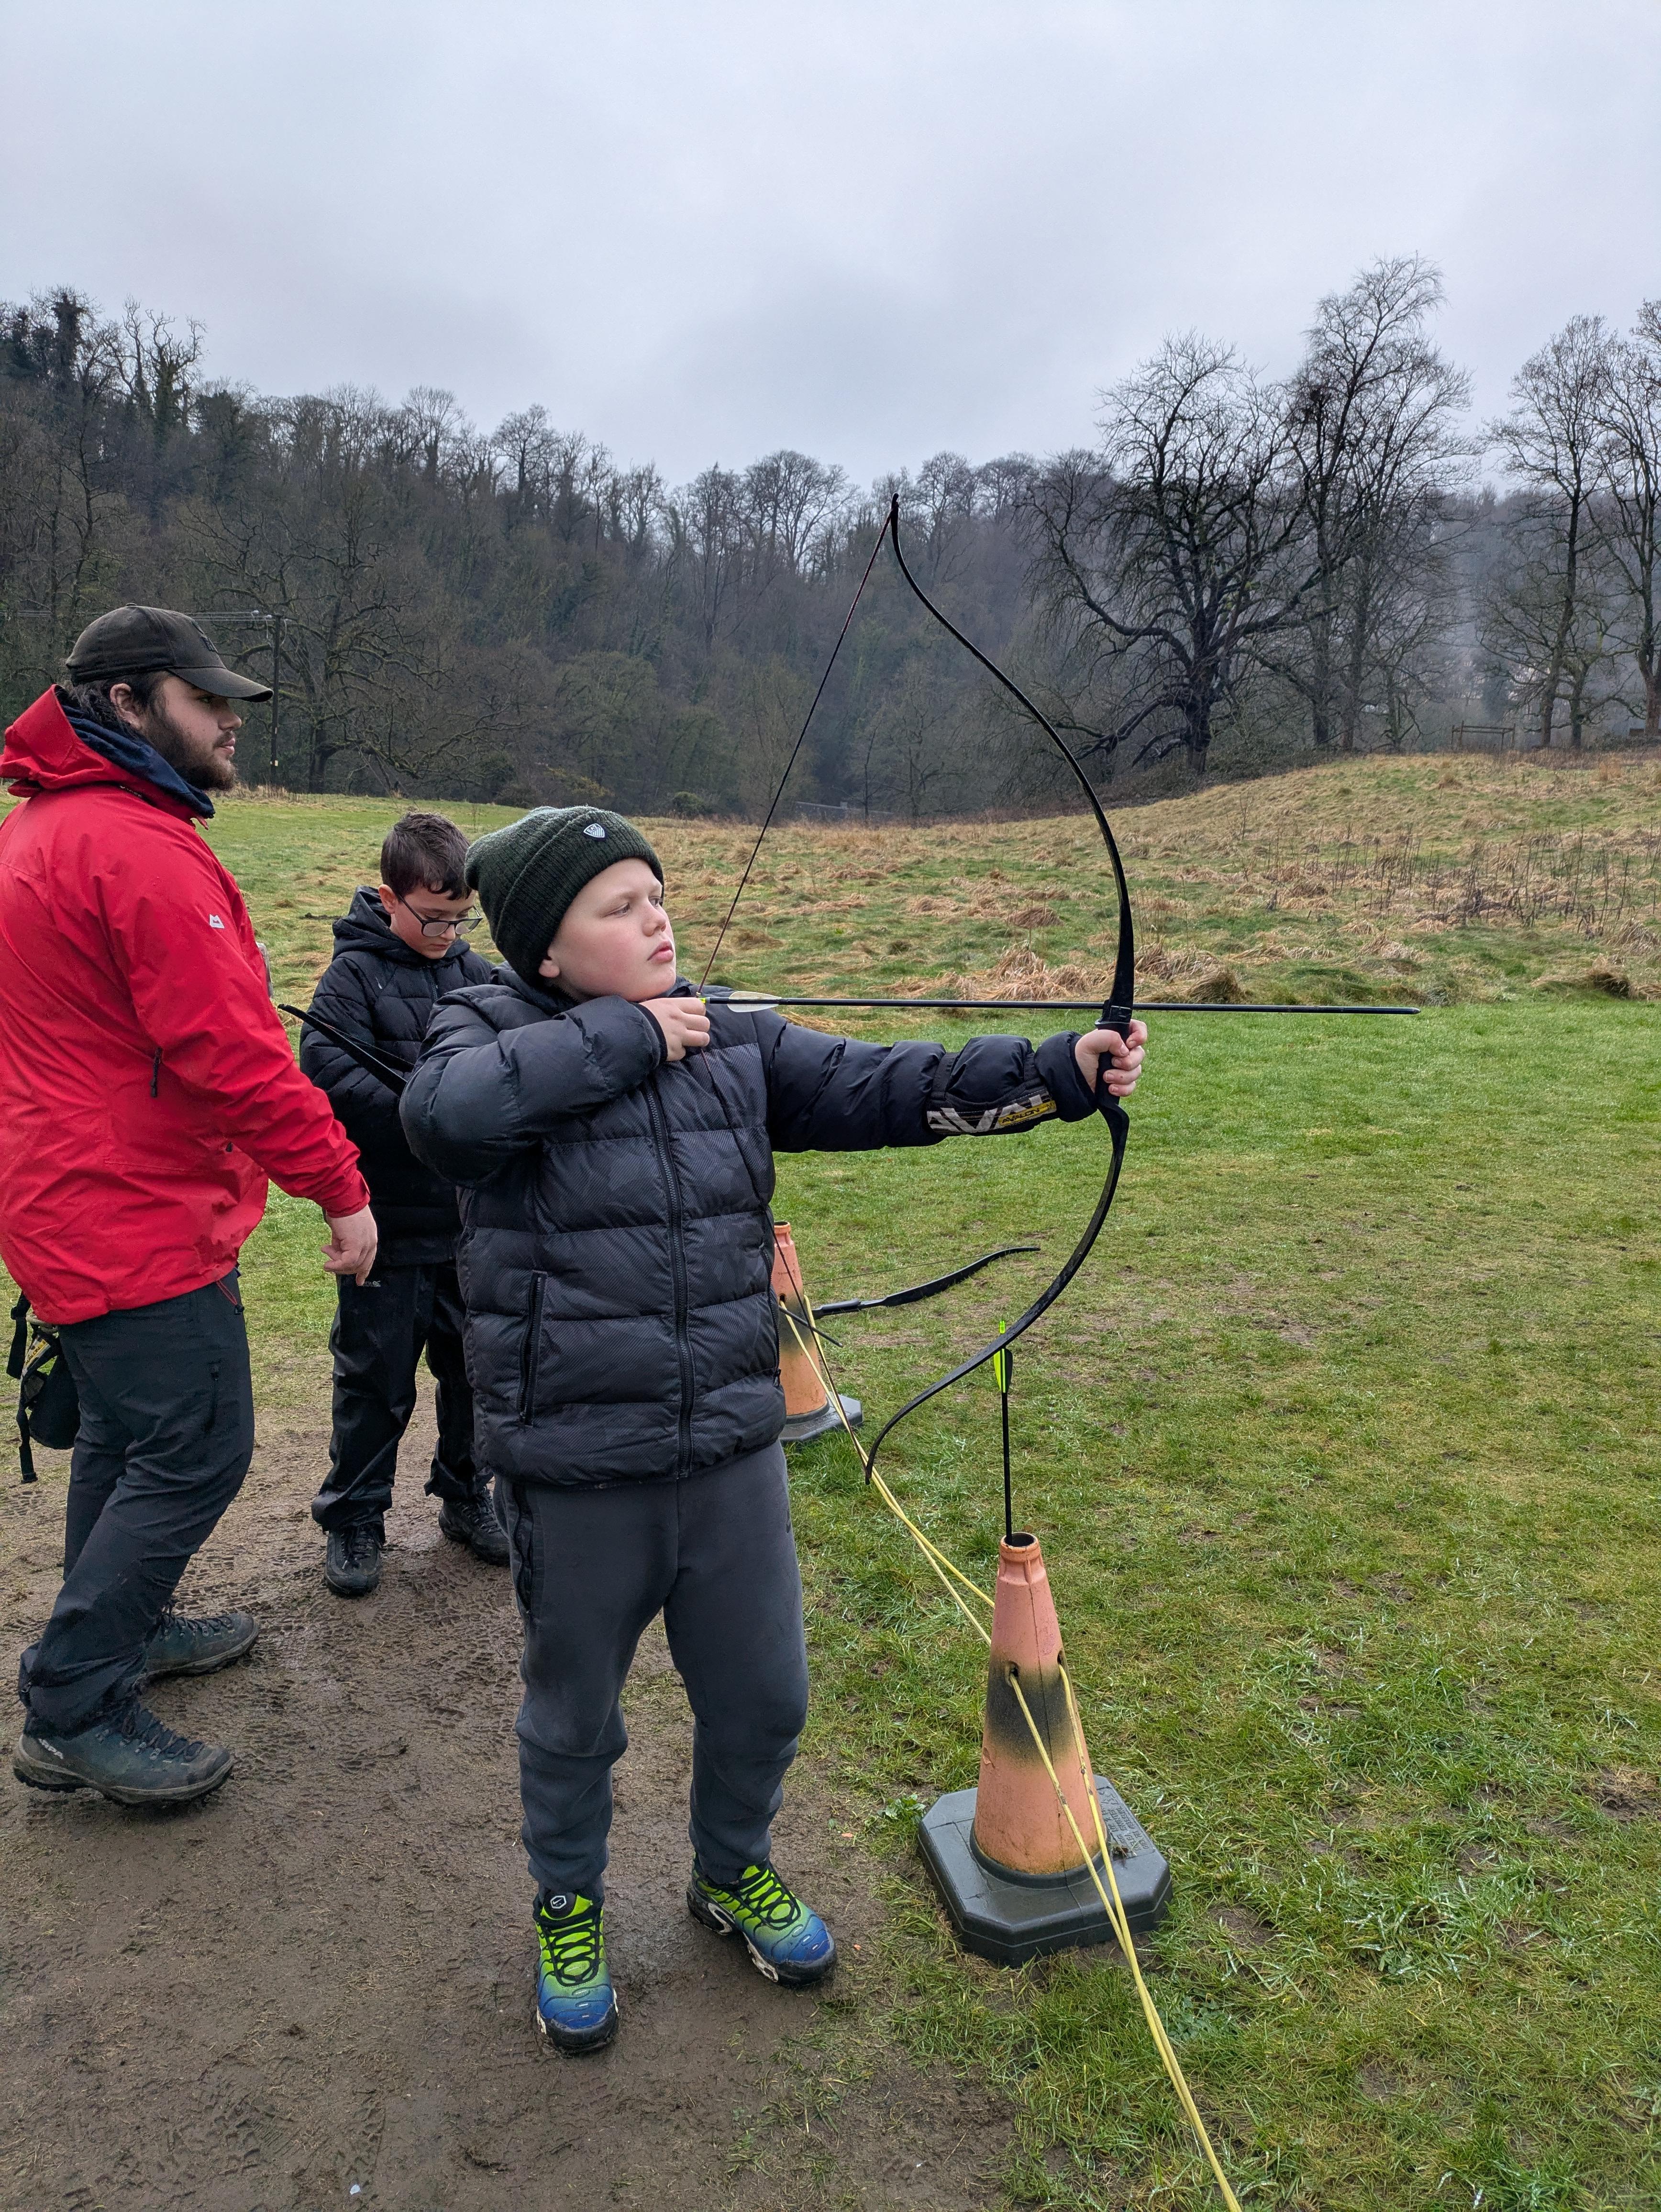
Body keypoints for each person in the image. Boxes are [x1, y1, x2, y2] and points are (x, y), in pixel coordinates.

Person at [400, 804, 1146, 2053]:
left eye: (656, 893)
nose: (657, 919)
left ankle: (730, 1865)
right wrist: (631, 1035)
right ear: (545, 949)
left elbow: (887, 1083)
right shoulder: (482, 1027)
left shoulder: (728, 1036)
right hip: (579, 1465)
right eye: (619, 906)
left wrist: (1057, 1071)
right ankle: (569, 1906)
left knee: (764, 1697)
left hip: (730, 1447)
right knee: (574, 1716)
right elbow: (446, 1119)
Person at [0, 606, 376, 1810]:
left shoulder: (48, 825)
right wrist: (341, 1186)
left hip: (70, 1193)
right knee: (199, 1445)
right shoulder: (132, 846)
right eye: (204, 698)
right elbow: (237, 1057)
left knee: (127, 1438)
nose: (228, 720)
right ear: (128, 704)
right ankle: (73, 1702)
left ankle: (131, 1624)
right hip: (125, 1209)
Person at [301, 811, 503, 1596]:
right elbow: (327, 1078)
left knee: (474, 1374)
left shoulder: (477, 975)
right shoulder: (349, 979)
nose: (448, 934)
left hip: (470, 1226)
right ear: (389, 899)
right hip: (384, 1228)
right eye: (433, 918)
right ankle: (355, 1517)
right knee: (374, 1382)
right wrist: (431, 1110)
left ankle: (467, 1494)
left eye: (461, 919)